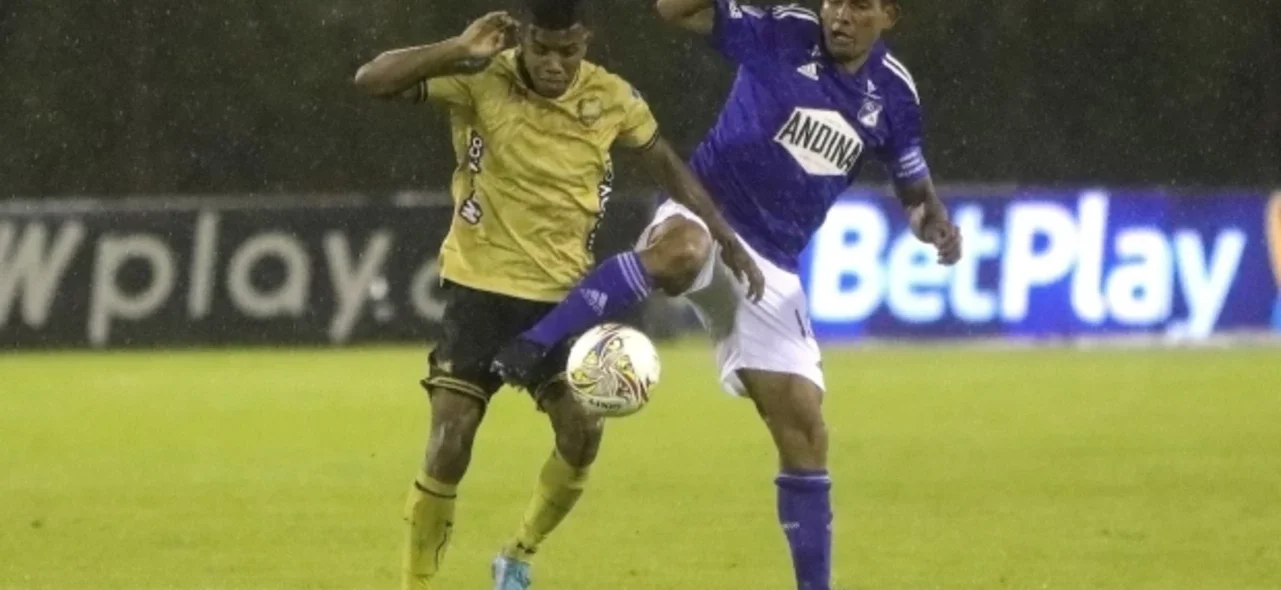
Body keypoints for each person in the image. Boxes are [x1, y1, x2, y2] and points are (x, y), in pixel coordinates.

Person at [492, 1, 962, 588]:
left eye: (859, 5)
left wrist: (934, 226)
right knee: (680, 253)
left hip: (774, 268)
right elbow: (673, 10)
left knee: (806, 430)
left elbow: (914, 192)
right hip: (708, 214)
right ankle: (535, 342)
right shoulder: (783, 29)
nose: (839, 14)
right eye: (833, 0)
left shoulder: (894, 95)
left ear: (889, 15)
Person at [353, 1, 763, 588]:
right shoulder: (482, 78)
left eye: (567, 51)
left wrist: (726, 238)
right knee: (450, 439)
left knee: (582, 434)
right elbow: (372, 80)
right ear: (524, 40)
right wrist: (456, 48)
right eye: (542, 50)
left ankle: (518, 553)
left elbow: (667, 165)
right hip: (479, 287)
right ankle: (416, 583)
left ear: (585, 42)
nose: (553, 63)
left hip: (563, 297)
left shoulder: (612, 98)